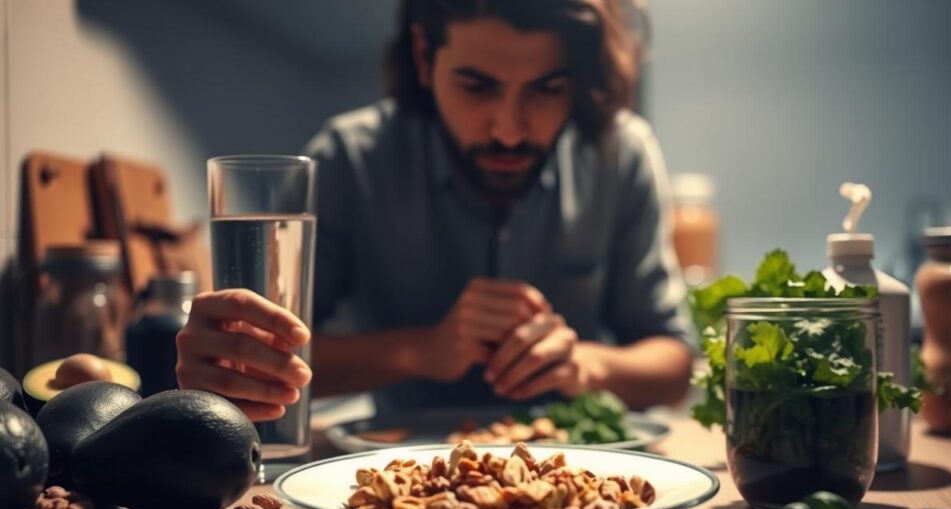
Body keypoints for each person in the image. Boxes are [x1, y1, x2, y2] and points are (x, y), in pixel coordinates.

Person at [176, 0, 696, 422]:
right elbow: (273, 354)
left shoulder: (620, 154)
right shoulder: (353, 156)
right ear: (424, 57)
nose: (510, 130)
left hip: (585, 473)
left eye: (547, 89)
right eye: (478, 86)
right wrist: (423, 350)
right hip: (395, 478)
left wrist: (583, 364)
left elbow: (675, 362)